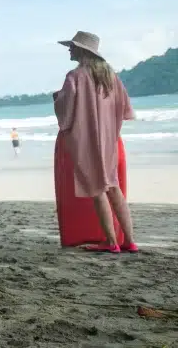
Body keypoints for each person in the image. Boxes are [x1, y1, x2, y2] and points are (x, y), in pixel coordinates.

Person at [53, 31, 137, 253]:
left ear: (82, 50)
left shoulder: (75, 76)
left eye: (73, 46)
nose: (70, 49)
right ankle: (129, 240)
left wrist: (57, 98)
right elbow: (125, 109)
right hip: (111, 140)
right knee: (114, 186)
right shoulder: (111, 75)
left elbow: (66, 111)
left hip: (86, 140)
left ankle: (111, 242)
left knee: (98, 188)